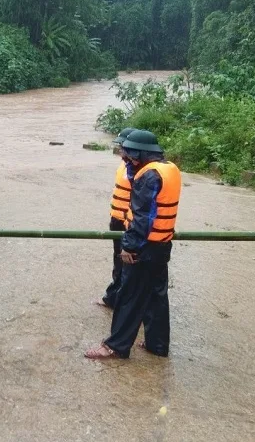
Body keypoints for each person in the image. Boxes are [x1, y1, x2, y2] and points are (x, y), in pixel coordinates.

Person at [85, 129, 181, 360]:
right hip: (161, 245)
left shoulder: (148, 176)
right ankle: (157, 345)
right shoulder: (170, 169)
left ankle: (115, 346)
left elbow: (142, 218)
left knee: (129, 296)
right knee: (157, 296)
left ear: (139, 155)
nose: (126, 159)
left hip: (144, 249)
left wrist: (129, 247)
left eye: (128, 155)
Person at [95, 127, 135, 308]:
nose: (119, 150)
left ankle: (120, 299)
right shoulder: (126, 165)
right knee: (119, 259)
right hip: (117, 219)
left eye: (122, 146)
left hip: (128, 223)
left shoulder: (137, 169)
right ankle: (114, 297)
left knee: (127, 262)